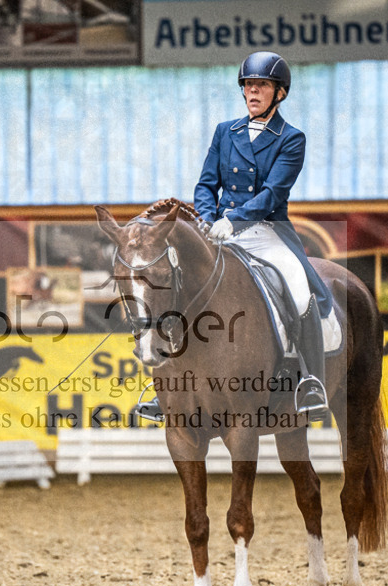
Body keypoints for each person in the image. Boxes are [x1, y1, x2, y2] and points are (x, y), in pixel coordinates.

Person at [136, 51, 332, 423]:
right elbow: (206, 183)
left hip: (267, 231)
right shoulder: (226, 131)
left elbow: (273, 193)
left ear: (280, 93)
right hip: (219, 231)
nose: (253, 91)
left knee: (299, 287)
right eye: (248, 85)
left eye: (261, 86)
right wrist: (208, 220)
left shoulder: (291, 138)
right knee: (177, 284)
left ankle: (311, 382)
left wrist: (235, 220)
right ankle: (166, 387)